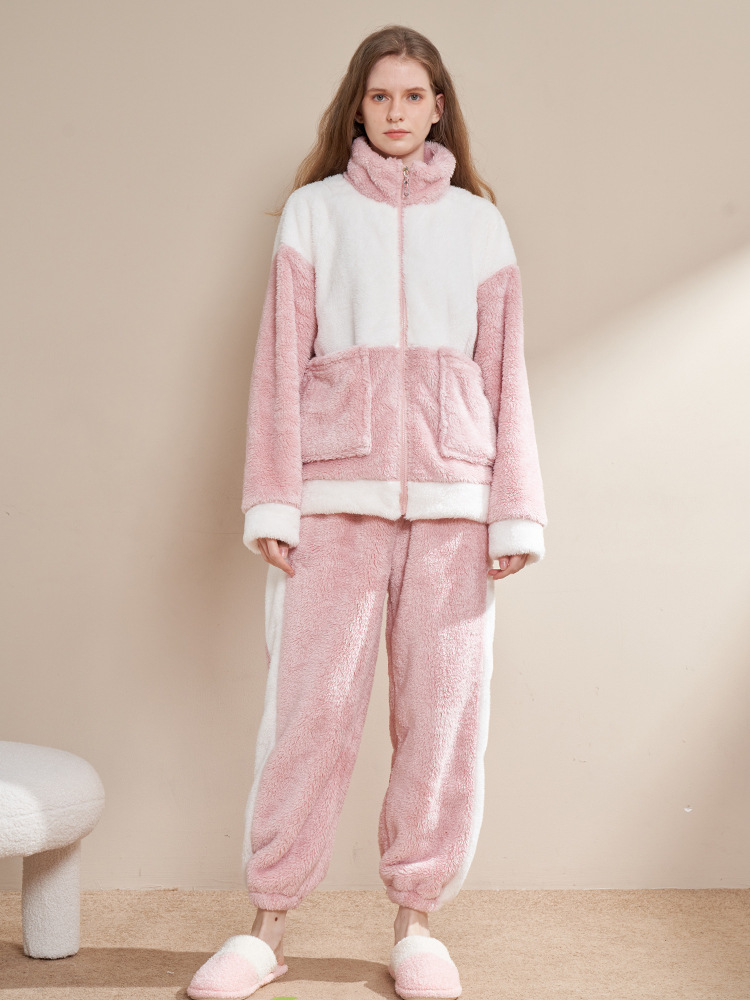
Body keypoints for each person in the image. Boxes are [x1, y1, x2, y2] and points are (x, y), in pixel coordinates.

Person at [187, 23, 546, 1000]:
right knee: (310, 713)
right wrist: (274, 498)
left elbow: (505, 369)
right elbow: (278, 361)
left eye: (413, 95)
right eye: (380, 95)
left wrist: (514, 509)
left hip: (455, 502)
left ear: (439, 107)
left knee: (443, 719)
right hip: (334, 496)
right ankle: (266, 927)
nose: (396, 111)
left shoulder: (478, 223)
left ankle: (417, 926)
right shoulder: (314, 213)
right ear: (358, 105)